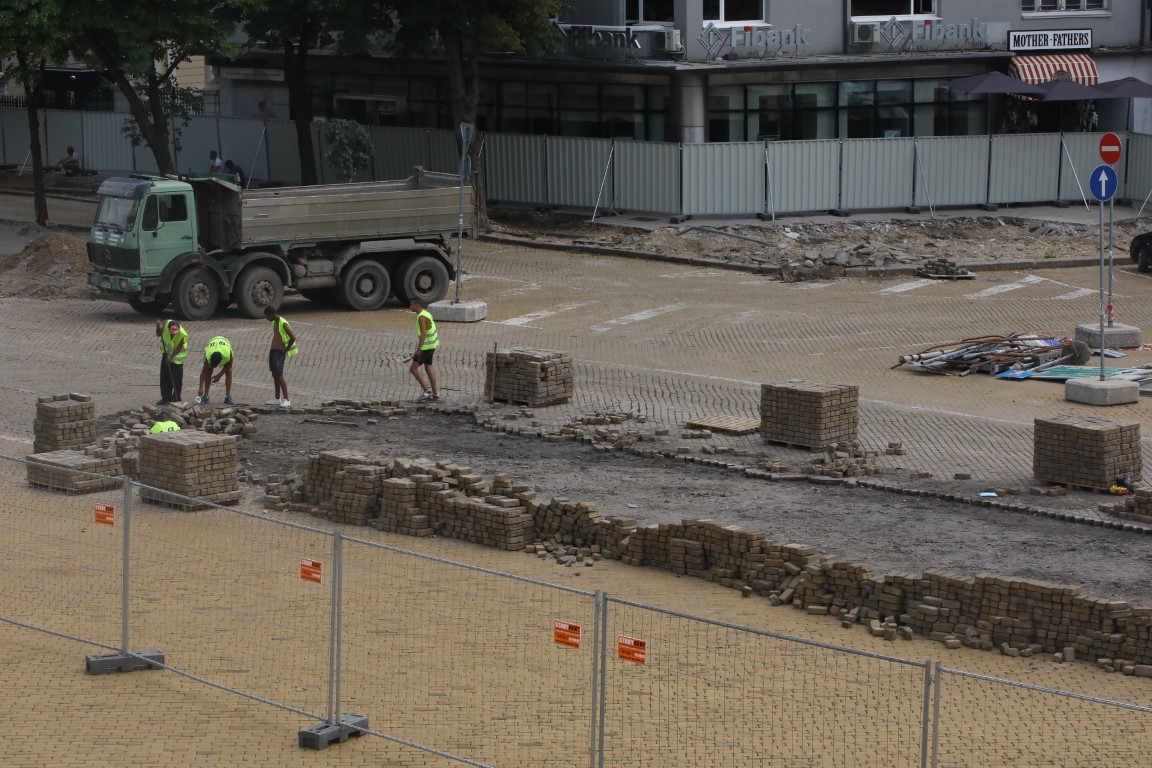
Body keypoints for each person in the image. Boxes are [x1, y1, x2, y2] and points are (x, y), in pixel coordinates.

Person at [264, 305, 297, 407]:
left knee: (279, 375)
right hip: (273, 351)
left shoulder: (283, 323)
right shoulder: (274, 322)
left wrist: (286, 349)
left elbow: (293, 337)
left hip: (279, 352)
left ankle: (287, 399)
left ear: (271, 314)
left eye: (267, 316)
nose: (267, 319)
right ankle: (277, 398)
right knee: (274, 374)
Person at [408, 298, 439, 402]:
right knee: (428, 368)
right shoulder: (426, 313)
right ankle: (435, 394)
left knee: (413, 369)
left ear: (417, 305)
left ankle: (427, 391)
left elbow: (423, 334)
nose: (410, 306)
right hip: (432, 345)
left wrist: (418, 350)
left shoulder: (421, 317)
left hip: (426, 347)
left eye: (411, 305)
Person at [155, 318, 188, 405]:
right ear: (168, 328)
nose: (173, 334)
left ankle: (176, 398)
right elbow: (158, 334)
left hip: (177, 358)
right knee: (165, 376)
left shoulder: (182, 334)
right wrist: (158, 326)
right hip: (166, 354)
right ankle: (166, 397)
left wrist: (171, 357)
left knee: (176, 379)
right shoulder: (165, 324)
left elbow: (179, 347)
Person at [196, 335, 236, 405]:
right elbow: (203, 372)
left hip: (224, 343)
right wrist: (200, 388)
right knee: (208, 371)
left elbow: (229, 365)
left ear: (221, 361)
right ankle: (205, 396)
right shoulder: (208, 354)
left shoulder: (227, 354)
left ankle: (228, 396)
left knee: (229, 371)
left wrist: (219, 376)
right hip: (213, 341)